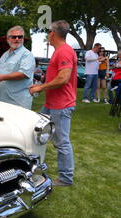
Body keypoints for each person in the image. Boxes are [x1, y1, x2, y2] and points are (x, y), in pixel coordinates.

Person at [29, 20, 77, 187]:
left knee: (61, 142)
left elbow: (63, 78)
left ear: (53, 33)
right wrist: (42, 82)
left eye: (49, 32)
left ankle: (65, 178)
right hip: (51, 104)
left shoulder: (64, 51)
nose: (47, 35)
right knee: (37, 134)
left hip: (61, 105)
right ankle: (33, 170)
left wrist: (41, 87)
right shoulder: (60, 51)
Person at [0, 26, 36, 109]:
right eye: (14, 37)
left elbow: (23, 74)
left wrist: (2, 77)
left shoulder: (27, 55)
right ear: (8, 39)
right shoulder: (4, 54)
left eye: (20, 37)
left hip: (17, 102)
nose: (17, 39)